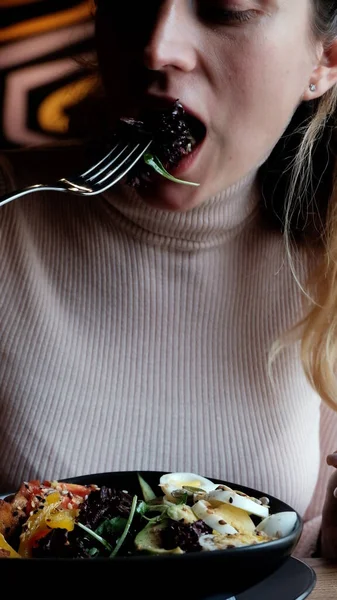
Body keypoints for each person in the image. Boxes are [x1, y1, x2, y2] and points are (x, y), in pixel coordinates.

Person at [1, 0, 337, 560]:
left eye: (227, 9)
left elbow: (314, 543)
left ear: (323, 61)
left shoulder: (327, 257)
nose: (157, 48)